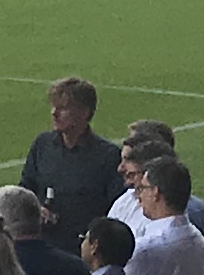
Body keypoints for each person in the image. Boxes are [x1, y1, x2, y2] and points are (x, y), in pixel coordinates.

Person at [25, 77, 131, 249]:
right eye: (54, 106)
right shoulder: (43, 145)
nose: (54, 113)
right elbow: (26, 186)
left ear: (84, 112)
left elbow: (116, 208)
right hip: (44, 244)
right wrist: (37, 208)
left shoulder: (107, 156)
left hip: (85, 249)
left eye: (63, 108)